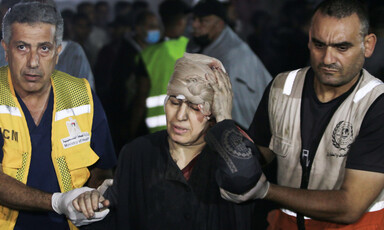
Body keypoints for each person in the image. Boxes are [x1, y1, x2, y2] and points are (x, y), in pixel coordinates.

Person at [219, 0, 384, 229]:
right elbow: (259, 154)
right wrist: (220, 126)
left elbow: (349, 205)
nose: (327, 59)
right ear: (308, 40)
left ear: (368, 45)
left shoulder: (376, 104)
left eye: (341, 47)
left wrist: (266, 191)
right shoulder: (282, 87)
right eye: (319, 44)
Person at [71, 53, 262, 230]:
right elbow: (115, 214)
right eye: (175, 102)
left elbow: (242, 180)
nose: (180, 116)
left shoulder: (232, 152)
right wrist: (91, 203)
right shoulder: (138, 153)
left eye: (195, 107)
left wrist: (225, 119)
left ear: (213, 113)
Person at [0, 2, 116, 229]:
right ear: (5, 49)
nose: (33, 62)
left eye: (44, 48)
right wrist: (57, 202)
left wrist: (94, 196)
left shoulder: (81, 95)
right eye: (22, 47)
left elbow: (102, 167)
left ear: (58, 52)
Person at [187, 0, 272, 129]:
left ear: (220, 24)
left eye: (203, 21)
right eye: (194, 19)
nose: (195, 25)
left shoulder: (233, 56)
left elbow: (240, 113)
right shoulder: (201, 46)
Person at [138, 0, 191, 133]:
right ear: (181, 21)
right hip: (186, 126)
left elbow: (141, 95)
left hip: (156, 130)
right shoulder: (192, 49)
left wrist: (132, 130)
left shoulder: (147, 54)